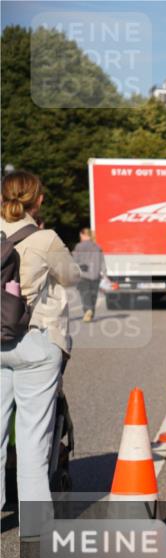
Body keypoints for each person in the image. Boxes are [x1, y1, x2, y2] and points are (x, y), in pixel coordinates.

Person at [1, 171, 80, 537]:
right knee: (33, 435)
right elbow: (72, 277)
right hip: (34, 340)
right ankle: (33, 524)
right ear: (39, 200)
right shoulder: (44, 238)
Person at [72, 226, 105, 323]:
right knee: (93, 295)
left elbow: (74, 261)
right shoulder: (97, 247)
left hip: (83, 275)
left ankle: (88, 310)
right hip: (96, 275)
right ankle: (90, 313)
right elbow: (102, 261)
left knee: (85, 294)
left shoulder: (79, 246)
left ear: (83, 235)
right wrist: (104, 273)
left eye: (80, 235)